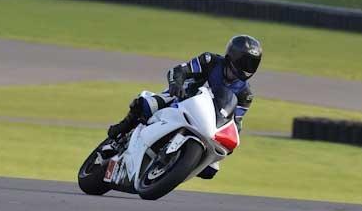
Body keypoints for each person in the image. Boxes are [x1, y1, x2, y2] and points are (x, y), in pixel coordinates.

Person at [107, 35, 263, 179]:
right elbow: (178, 71)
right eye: (245, 61)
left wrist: (231, 142)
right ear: (233, 57)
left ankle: (174, 166)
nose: (248, 67)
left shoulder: (246, 94)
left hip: (208, 124)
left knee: (211, 170)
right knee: (146, 105)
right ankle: (121, 129)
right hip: (180, 99)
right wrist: (176, 84)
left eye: (253, 63)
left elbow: (236, 122)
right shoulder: (210, 61)